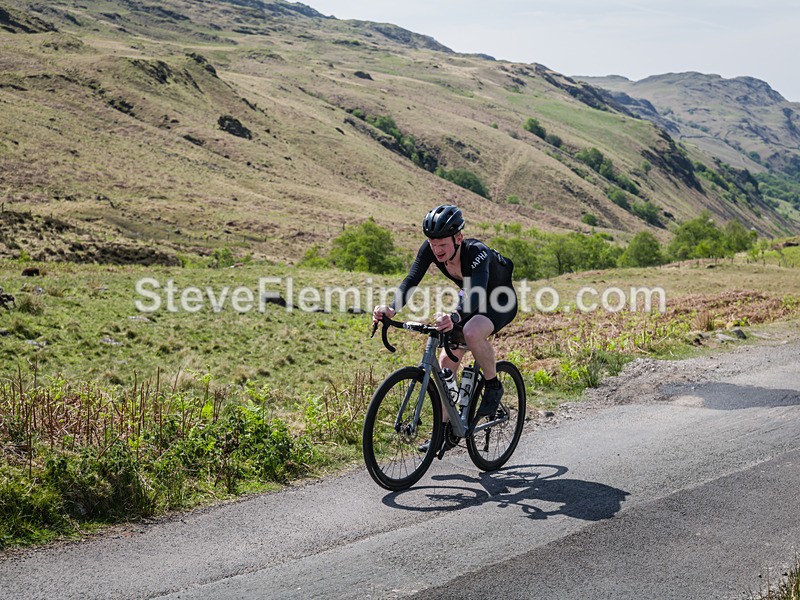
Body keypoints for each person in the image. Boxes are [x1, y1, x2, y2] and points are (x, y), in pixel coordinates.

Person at [372, 204, 518, 445]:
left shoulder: (476, 252)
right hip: (470, 298)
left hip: (499, 299)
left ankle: (492, 385)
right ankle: (444, 431)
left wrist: (455, 318)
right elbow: (411, 279)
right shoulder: (431, 248)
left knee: (471, 332)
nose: (436, 250)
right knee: (445, 363)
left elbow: (478, 292)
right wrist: (391, 308)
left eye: (442, 245)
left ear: (458, 238)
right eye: (432, 243)